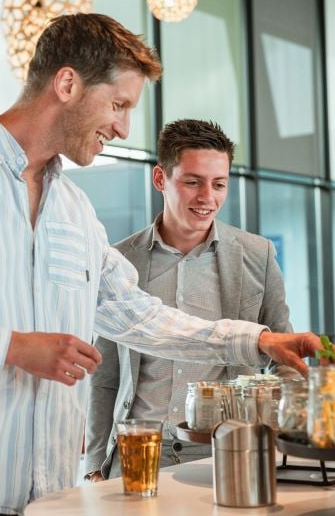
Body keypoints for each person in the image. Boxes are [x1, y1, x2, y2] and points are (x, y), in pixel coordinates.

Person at [0, 13, 321, 516]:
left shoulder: (73, 209)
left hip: (40, 497)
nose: (122, 126)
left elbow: (139, 315)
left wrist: (257, 340)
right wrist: (10, 348)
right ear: (67, 83)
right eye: (118, 104)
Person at [84, 119, 298, 482]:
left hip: (224, 450)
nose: (207, 198)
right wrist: (93, 464)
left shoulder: (256, 255)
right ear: (160, 180)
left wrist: (287, 435)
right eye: (193, 182)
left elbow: (284, 358)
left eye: (219, 184)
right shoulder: (120, 260)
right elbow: (106, 377)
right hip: (138, 449)